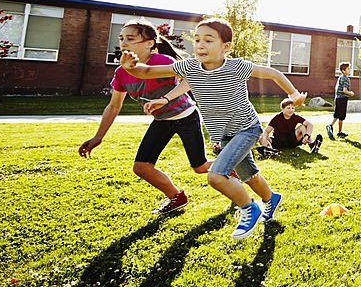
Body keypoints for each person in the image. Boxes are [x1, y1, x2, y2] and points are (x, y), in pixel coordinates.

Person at [123, 18, 307, 240]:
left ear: (226, 47)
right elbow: (148, 72)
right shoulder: (190, 67)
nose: (200, 45)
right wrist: (132, 68)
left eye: (208, 40)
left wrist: (294, 95)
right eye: (197, 40)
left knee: (216, 176)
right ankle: (271, 198)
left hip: (247, 128)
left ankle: (249, 208)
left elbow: (274, 74)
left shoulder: (236, 66)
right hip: (226, 134)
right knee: (249, 175)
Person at [78, 20, 207, 215]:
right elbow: (113, 106)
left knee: (200, 167)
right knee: (141, 167)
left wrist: (165, 98)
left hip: (186, 116)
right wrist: (98, 137)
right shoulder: (121, 73)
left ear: (150, 43)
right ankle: (176, 197)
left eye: (130, 39)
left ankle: (234, 168)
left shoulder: (161, 61)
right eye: (121, 38)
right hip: (162, 121)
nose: (123, 43)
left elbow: (190, 77)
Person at [326, 62, 355, 140]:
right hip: (342, 99)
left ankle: (339, 132)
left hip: (338, 98)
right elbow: (344, 90)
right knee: (341, 116)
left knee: (338, 115)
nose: (349, 70)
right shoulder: (346, 78)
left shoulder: (340, 77)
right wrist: (351, 93)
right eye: (348, 69)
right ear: (343, 70)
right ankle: (330, 126)